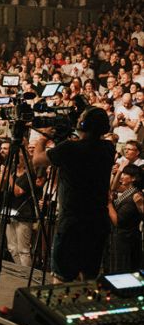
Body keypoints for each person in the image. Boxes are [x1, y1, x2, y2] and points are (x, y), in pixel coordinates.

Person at [33, 106, 114, 283]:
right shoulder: (108, 148)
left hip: (72, 222)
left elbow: (37, 160)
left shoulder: (69, 148)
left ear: (84, 124)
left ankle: (55, 311)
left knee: (61, 279)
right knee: (88, 277)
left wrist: (42, 138)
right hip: (97, 221)